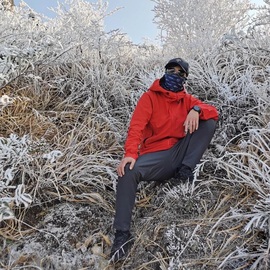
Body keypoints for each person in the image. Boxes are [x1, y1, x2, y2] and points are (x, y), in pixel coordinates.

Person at [110, 58, 218, 262]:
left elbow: (213, 111)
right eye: (171, 70)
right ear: (165, 72)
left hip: (180, 152)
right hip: (156, 156)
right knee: (127, 172)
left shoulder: (187, 100)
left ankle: (185, 172)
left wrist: (196, 110)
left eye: (180, 73)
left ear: (185, 78)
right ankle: (122, 234)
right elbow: (136, 127)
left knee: (208, 122)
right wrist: (130, 154)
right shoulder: (149, 98)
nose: (175, 75)